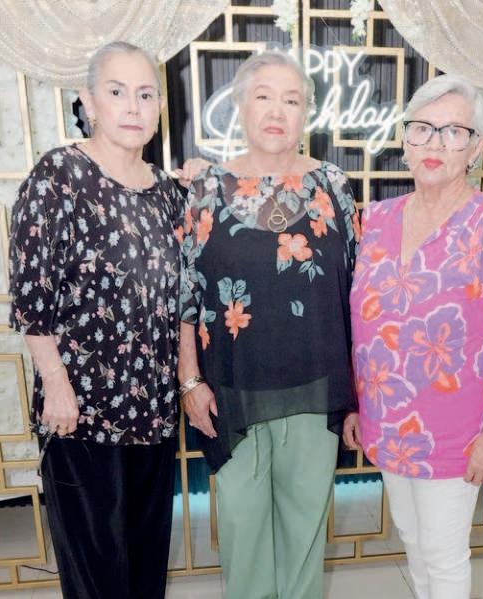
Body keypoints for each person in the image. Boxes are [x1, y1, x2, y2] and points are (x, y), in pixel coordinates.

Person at [344, 74, 483, 599]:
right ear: (405, 139)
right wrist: (355, 404)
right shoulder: (375, 220)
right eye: (423, 128)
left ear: (476, 148)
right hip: (387, 418)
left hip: (457, 433)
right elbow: (361, 327)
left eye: (454, 132)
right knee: (412, 540)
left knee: (445, 555)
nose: (435, 143)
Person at [178, 50, 360, 599]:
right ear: (239, 105)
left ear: (307, 113)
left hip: (315, 388)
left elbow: (355, 291)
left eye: (292, 99)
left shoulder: (332, 184)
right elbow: (185, 295)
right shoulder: (206, 188)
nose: (277, 111)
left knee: (305, 536)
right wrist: (189, 380)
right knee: (243, 534)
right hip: (231, 390)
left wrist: (358, 393)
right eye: (263, 96)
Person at [9, 42, 183, 599]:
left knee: (146, 566)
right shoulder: (59, 175)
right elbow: (30, 295)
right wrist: (56, 384)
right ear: (88, 101)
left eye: (145, 94)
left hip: (153, 410)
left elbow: (182, 295)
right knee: (96, 575)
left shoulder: (166, 193)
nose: (132, 106)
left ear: (159, 107)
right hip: (81, 413)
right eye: (116, 92)